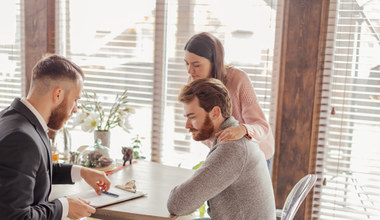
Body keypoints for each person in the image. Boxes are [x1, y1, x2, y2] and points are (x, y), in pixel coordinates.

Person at [0, 55, 111, 220]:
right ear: (58, 94)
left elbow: (33, 169)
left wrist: (81, 172)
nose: (75, 109)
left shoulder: (13, 118)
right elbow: (15, 217)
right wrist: (64, 207)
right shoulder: (22, 139)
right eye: (75, 100)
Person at [167, 78, 276, 219]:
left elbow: (177, 205)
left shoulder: (232, 149)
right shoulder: (234, 141)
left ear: (215, 113)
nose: (187, 125)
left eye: (192, 117)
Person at [184, 32, 275, 171]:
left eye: (196, 65)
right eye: (187, 64)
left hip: (257, 154)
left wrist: (242, 129)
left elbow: (262, 126)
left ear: (214, 62)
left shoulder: (238, 79)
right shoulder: (193, 83)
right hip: (227, 153)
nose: (190, 71)